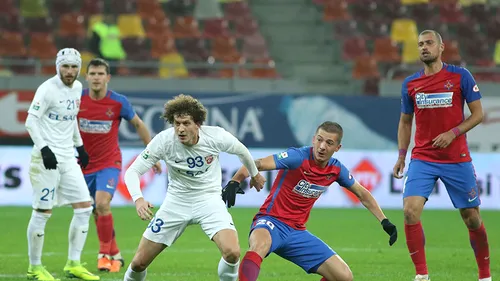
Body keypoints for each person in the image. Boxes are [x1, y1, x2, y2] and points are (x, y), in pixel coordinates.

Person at [226, 121, 398, 281]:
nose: (322, 147)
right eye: (319, 140)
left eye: (329, 143)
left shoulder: (336, 169)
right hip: (271, 221)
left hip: (297, 232)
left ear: (337, 148)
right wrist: (235, 180)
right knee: (259, 246)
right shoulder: (297, 157)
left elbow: (363, 194)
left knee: (344, 276)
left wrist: (385, 221)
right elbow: (258, 163)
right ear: (313, 139)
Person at [122, 94, 266, 281]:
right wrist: (138, 198)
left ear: (198, 123)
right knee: (138, 263)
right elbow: (132, 171)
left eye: (186, 123)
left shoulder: (216, 136)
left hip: (209, 200)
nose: (180, 129)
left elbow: (242, 151)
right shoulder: (164, 141)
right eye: (176, 123)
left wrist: (255, 174)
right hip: (176, 202)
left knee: (232, 252)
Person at [393, 30, 490, 281]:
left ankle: (485, 275)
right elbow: (405, 122)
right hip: (423, 158)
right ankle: (422, 275)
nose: (424, 47)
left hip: (456, 158)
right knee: (409, 211)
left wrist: (453, 132)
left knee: (471, 219)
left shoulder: (460, 76)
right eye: (420, 44)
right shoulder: (410, 84)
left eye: (429, 43)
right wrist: (402, 155)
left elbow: (478, 114)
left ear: (441, 47)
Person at [78, 58, 162, 273]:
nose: (96, 77)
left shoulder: (118, 102)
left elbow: (139, 124)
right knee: (97, 210)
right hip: (82, 164)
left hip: (109, 162)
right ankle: (114, 253)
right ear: (86, 77)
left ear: (108, 77)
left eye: (100, 74)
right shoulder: (76, 99)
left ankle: (104, 256)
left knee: (102, 203)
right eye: (93, 74)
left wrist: (152, 155)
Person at [24, 48, 99, 281]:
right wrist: (44, 148)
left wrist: (80, 146)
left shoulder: (77, 89)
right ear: (57, 66)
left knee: (85, 207)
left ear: (79, 69)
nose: (69, 71)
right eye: (65, 66)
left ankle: (73, 264)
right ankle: (34, 268)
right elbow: (30, 121)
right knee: (43, 212)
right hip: (46, 159)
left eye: (74, 67)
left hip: (68, 157)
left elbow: (71, 119)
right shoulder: (47, 89)